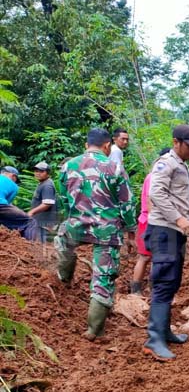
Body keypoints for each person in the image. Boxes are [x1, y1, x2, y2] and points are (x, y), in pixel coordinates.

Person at [54, 128, 136, 341]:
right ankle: (94, 330)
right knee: (103, 277)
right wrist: (131, 231)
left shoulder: (67, 166)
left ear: (86, 144)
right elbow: (127, 204)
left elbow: (64, 198)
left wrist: (73, 216)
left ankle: (63, 280)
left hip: (76, 225)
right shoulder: (115, 167)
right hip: (106, 230)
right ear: (108, 145)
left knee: (63, 242)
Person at [143, 124, 189, 361]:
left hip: (174, 230)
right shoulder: (165, 163)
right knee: (164, 281)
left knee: (172, 281)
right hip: (164, 230)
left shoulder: (182, 165)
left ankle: (164, 331)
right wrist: (179, 218)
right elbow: (156, 194)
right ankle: (153, 339)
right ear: (176, 142)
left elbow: (178, 195)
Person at [130, 148, 170, 295]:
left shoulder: (156, 176)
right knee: (147, 257)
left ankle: (148, 289)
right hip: (151, 221)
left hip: (151, 220)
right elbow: (150, 200)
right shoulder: (155, 177)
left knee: (152, 258)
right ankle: (138, 290)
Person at [0, 166, 38, 240]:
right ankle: (30, 246)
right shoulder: (13, 185)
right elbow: (6, 205)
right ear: (13, 176)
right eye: (16, 180)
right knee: (30, 222)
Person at [27, 161, 57, 243]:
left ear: (48, 173)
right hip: (40, 221)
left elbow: (47, 203)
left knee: (41, 246)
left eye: (41, 171)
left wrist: (31, 212)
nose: (38, 173)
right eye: (36, 171)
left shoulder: (47, 185)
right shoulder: (43, 183)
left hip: (44, 223)